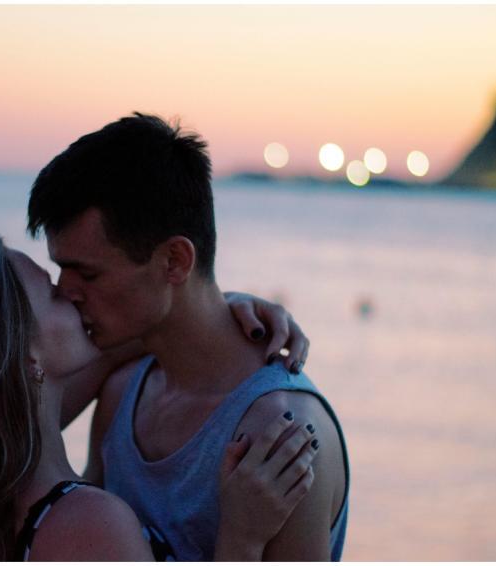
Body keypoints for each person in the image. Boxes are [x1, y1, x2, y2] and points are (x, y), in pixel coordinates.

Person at [0, 235, 320, 560]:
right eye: (52, 293)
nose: (72, 294)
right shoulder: (86, 529)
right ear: (26, 360)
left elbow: (114, 349)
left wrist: (207, 315)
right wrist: (241, 538)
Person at [27, 113, 350, 560]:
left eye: (87, 273)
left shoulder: (280, 433)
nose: (64, 292)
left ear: (175, 261)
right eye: (61, 269)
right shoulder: (122, 395)